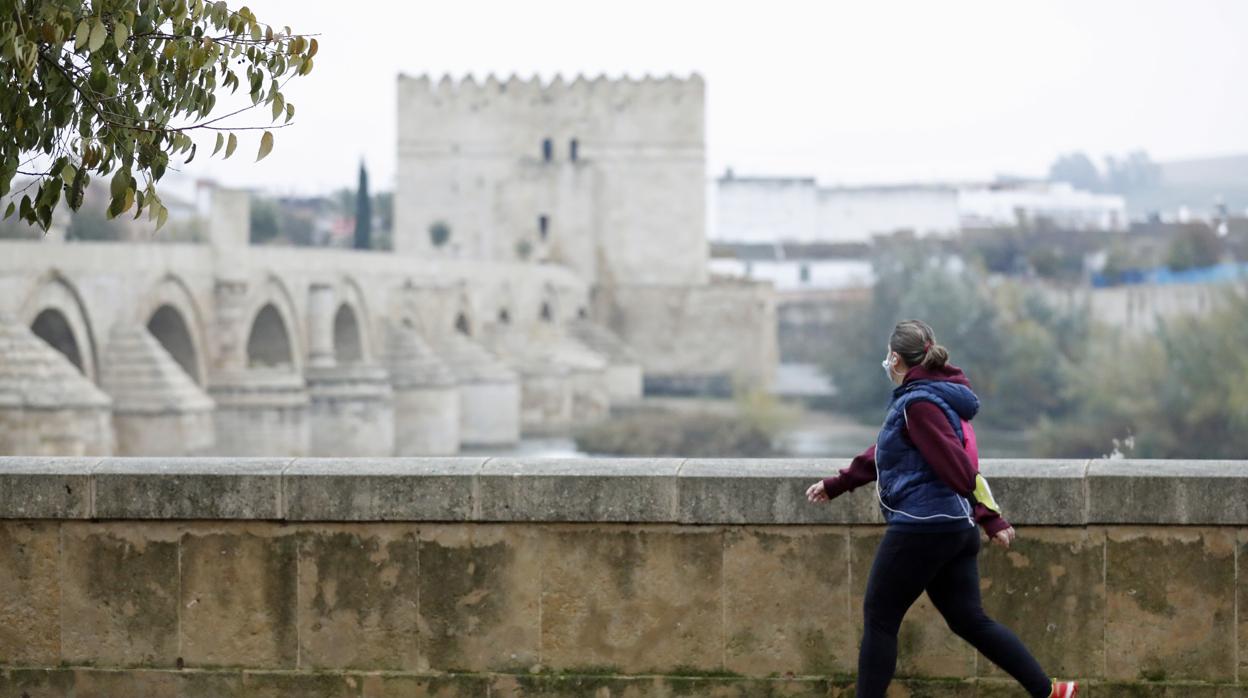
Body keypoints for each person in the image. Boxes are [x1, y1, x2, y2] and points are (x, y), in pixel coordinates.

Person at [804, 319, 1078, 698]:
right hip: (952, 528)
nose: (886, 362)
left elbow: (956, 464)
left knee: (880, 619)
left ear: (896, 358)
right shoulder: (934, 395)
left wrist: (990, 515)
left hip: (923, 526)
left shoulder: (918, 404)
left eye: (888, 356)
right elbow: (885, 453)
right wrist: (838, 484)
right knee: (970, 620)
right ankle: (1048, 691)